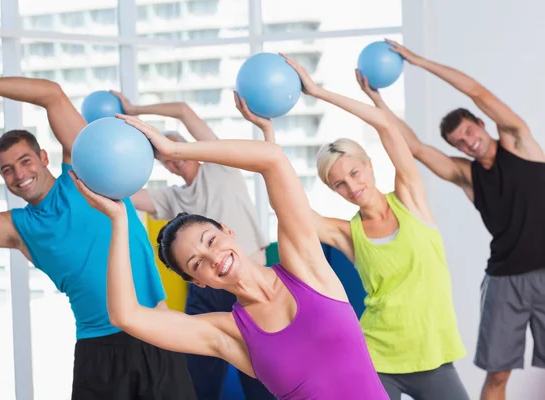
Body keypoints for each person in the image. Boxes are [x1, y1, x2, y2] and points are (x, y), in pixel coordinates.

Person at [71, 104, 390, 399]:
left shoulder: (305, 268)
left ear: (228, 231)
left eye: (210, 240)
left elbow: (273, 158)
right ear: (200, 283)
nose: (213, 258)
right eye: (197, 263)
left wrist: (173, 148)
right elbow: (125, 315)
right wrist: (119, 219)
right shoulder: (228, 333)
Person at [0, 60, 196, 400]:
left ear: (43, 157)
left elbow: (52, 95)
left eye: (24, 161)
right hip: (98, 348)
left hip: (158, 331)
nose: (19, 174)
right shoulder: (19, 229)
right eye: (7, 170)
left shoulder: (86, 174)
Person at [261, 55, 469, 399]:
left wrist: (317, 91)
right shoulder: (346, 233)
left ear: (369, 166)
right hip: (375, 357)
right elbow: (287, 207)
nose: (352, 186)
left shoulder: (411, 199)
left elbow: (387, 127)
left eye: (354, 173)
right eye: (339, 184)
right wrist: (269, 137)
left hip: (432, 356)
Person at [378, 40, 545, 400]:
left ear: (482, 125)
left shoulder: (519, 141)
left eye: (471, 132)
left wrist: (419, 62)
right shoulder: (467, 175)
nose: (469, 143)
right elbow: (417, 149)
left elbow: (476, 91)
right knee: (497, 375)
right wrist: (379, 103)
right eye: (460, 142)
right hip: (504, 281)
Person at [111, 92, 275, 399]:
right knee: (198, 374)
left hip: (247, 276)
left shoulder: (220, 166)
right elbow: (124, 197)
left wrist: (135, 110)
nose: (174, 158)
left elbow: (183, 109)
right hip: (207, 288)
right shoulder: (172, 197)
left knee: (259, 372)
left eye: (174, 148)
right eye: (165, 159)